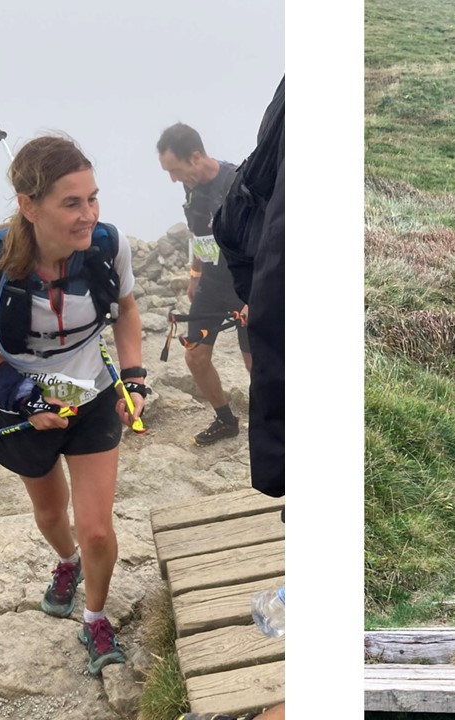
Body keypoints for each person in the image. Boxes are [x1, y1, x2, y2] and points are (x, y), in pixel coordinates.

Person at [0, 134, 147, 676]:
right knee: (48, 513)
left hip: (91, 400)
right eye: (72, 203)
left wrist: (133, 379)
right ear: (29, 207)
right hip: (23, 408)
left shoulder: (108, 247)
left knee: (99, 530)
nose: (89, 215)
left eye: (93, 198)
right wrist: (19, 394)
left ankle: (95, 616)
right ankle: (67, 564)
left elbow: (126, 313)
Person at [156, 124, 252, 447]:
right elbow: (199, 233)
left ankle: (281, 424)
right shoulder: (191, 186)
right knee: (195, 357)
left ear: (195, 156)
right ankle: (225, 420)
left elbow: (266, 242)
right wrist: (195, 274)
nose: (173, 179)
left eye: (175, 170)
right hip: (212, 282)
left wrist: (257, 296)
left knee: (257, 365)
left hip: (245, 286)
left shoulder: (238, 183)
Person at [213, 76, 284, 502]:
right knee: (195, 351)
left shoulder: (222, 175)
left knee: (252, 354)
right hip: (245, 277)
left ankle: (233, 418)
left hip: (261, 281)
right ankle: (225, 417)